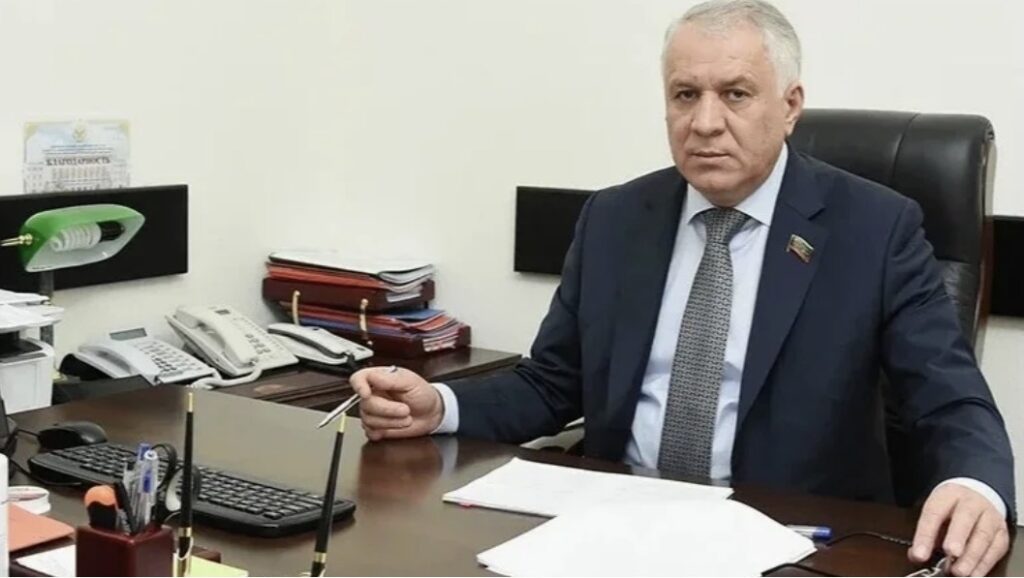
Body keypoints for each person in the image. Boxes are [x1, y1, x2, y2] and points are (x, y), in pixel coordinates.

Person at [352, 1, 1015, 575]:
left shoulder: (875, 228)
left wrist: (975, 485)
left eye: (736, 94)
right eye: (685, 95)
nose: (704, 122)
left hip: (791, 542)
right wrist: (440, 406)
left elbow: (949, 398)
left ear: (790, 107)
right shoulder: (615, 219)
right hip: (616, 533)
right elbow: (553, 383)